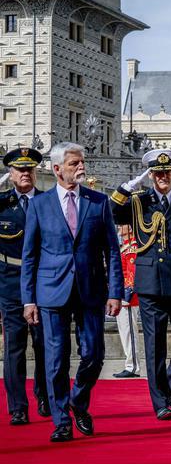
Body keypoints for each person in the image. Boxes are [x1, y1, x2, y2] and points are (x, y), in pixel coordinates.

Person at [21, 142, 124, 442]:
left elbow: (112, 252)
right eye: (74, 164)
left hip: (91, 290)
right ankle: (61, 420)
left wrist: (115, 292)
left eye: (82, 162)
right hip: (51, 292)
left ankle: (78, 401)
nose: (81, 168)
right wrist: (29, 299)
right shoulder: (40, 205)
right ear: (56, 169)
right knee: (56, 359)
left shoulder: (98, 202)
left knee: (94, 354)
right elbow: (30, 256)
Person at [111, 149, 171, 419]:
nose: (163, 177)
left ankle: (170, 385)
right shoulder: (139, 201)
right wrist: (129, 186)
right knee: (154, 345)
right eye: (157, 173)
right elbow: (113, 212)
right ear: (151, 176)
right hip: (150, 283)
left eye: (167, 172)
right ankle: (160, 402)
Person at [0, 147, 47, 425]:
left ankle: (44, 395)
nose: (25, 173)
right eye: (19, 169)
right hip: (10, 280)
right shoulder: (3, 203)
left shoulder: (46, 201)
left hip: (43, 281)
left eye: (29, 169)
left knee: (44, 344)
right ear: (11, 173)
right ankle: (17, 405)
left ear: (36, 171)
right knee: (14, 347)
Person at [112, 225, 143, 379]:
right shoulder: (124, 246)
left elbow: (132, 273)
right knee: (125, 332)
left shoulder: (132, 247)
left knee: (129, 331)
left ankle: (133, 366)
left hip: (127, 297)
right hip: (120, 295)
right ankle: (130, 363)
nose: (118, 227)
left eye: (122, 224)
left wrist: (127, 294)